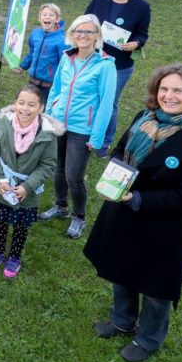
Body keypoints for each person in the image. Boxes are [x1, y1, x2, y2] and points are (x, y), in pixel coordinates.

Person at [84, 63, 182, 362]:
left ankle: (148, 339)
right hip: (124, 211)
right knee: (121, 268)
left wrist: (138, 198)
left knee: (156, 286)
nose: (169, 96)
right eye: (164, 89)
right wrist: (115, 177)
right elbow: (120, 150)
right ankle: (122, 320)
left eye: (178, 91)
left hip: (164, 226)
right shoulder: (142, 118)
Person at [38, 14, 117, 239]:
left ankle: (78, 216)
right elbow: (56, 89)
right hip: (60, 124)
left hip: (83, 129)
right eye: (78, 31)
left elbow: (105, 104)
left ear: (97, 36)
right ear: (72, 35)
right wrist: (50, 117)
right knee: (58, 169)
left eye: (88, 32)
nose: (82, 35)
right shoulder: (67, 58)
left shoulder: (105, 66)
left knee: (74, 175)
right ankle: (61, 206)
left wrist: (97, 136)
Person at [0, 85, 62, 279]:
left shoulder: (47, 134)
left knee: (20, 226)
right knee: (0, 221)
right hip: (2, 187)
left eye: (32, 105)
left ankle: (15, 257)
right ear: (15, 103)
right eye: (21, 103)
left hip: (27, 192)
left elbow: (47, 165)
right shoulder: (3, 124)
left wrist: (28, 186)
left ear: (41, 108)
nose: (25, 108)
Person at [85, 0, 152, 155]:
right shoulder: (99, 1)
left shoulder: (141, 7)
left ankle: (103, 143)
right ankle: (86, 134)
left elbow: (142, 34)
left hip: (119, 65)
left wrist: (136, 44)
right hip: (93, 59)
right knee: (90, 98)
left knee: (108, 103)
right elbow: (84, 23)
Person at [15, 3, 68, 105]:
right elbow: (31, 53)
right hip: (33, 80)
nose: (47, 17)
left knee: (44, 107)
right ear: (39, 18)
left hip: (49, 84)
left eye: (51, 15)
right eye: (44, 14)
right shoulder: (35, 34)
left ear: (57, 19)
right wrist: (22, 66)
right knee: (31, 103)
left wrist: (63, 83)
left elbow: (65, 64)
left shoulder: (62, 40)